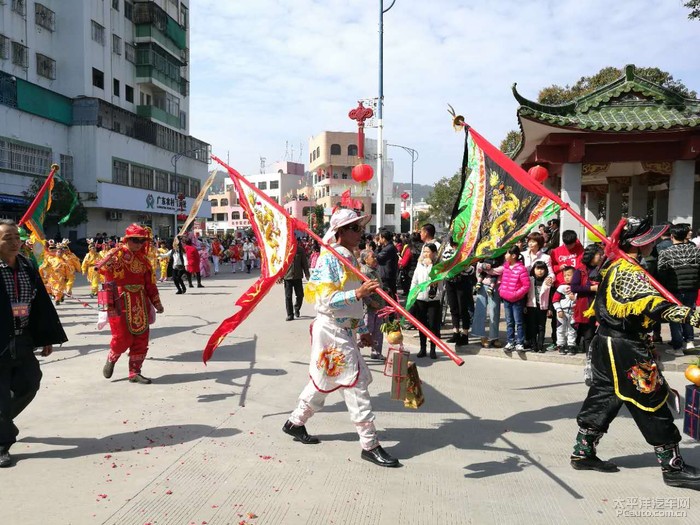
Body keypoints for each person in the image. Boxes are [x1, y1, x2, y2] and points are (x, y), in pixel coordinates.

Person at [570, 217, 700, 490]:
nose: (655, 242)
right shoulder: (631, 272)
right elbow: (655, 307)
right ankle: (672, 466)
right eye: (651, 238)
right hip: (626, 347)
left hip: (606, 342)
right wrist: (691, 315)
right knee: (650, 399)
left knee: (605, 394)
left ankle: (583, 452)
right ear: (642, 243)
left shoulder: (616, 265)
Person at [283, 209, 399, 468]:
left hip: (345, 330)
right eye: (355, 228)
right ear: (340, 232)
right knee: (355, 383)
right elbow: (326, 301)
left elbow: (352, 303)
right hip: (331, 330)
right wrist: (358, 292)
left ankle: (295, 422)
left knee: (324, 379)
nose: (361, 233)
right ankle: (370, 444)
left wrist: (362, 329)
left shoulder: (349, 258)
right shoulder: (329, 259)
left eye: (360, 228)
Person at [0, 219, 67, 468]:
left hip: (23, 338)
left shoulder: (27, 266)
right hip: (0, 341)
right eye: (8, 238)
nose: (15, 242)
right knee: (1, 397)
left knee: (30, 383)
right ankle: (2, 444)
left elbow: (41, 305)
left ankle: (3, 420)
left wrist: (47, 336)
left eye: (16, 237)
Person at [98, 224, 164, 384]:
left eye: (142, 241)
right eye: (135, 240)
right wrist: (112, 254)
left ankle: (134, 372)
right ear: (126, 240)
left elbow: (150, 285)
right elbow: (101, 269)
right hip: (119, 300)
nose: (139, 244)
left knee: (142, 338)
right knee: (122, 338)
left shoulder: (144, 261)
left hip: (140, 302)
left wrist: (157, 303)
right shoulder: (116, 255)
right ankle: (112, 357)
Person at [657, 223, 700, 357]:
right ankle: (689, 341)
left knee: (675, 316)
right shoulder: (696, 251)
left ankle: (677, 347)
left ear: (672, 236)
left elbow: (661, 271)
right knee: (689, 312)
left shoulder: (666, 253)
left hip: (673, 289)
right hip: (692, 288)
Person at [410, 243, 444, 359]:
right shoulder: (420, 264)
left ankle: (433, 349)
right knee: (422, 325)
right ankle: (422, 348)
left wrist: (430, 266)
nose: (425, 254)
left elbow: (436, 279)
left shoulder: (438, 265)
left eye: (428, 251)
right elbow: (414, 280)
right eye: (424, 251)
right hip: (420, 298)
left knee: (433, 325)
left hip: (433, 299)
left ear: (434, 253)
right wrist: (412, 295)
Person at [570, 244, 603, 357]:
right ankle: (590, 357)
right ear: (592, 256)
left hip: (600, 305)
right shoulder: (580, 271)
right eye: (599, 254)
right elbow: (574, 287)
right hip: (587, 306)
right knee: (588, 333)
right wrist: (591, 288)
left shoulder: (601, 269)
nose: (600, 256)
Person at [499, 246, 530, 353]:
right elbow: (503, 280)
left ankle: (520, 343)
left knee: (519, 322)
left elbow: (526, 285)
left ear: (513, 256)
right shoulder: (506, 267)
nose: (505, 255)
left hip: (517, 300)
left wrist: (516, 294)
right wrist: (501, 290)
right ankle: (510, 342)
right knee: (509, 322)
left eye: (507, 253)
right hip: (506, 298)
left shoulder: (521, 269)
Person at [442, 237, 472, 345]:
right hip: (450, 282)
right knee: (453, 307)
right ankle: (456, 332)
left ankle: (465, 334)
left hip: (462, 282)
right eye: (454, 244)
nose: (455, 246)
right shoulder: (447, 252)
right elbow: (445, 264)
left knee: (463, 308)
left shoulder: (466, 252)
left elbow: (470, 269)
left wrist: (462, 265)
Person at [471, 256, 504, 348]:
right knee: (480, 310)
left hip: (495, 285)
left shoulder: (503, 250)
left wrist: (487, 270)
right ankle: (481, 335)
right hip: (482, 285)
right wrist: (484, 266)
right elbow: (478, 266)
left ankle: (494, 337)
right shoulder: (485, 248)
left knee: (494, 311)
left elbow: (502, 269)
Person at [359, 248, 385, 360]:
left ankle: (376, 352)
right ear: (365, 259)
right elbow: (362, 291)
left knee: (378, 331)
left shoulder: (374, 270)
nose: (375, 259)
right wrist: (370, 302)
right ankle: (356, 347)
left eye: (375, 256)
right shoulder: (365, 272)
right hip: (370, 307)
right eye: (372, 257)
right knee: (367, 330)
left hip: (379, 305)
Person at [525, 261, 551, 353]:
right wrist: (525, 306)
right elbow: (525, 294)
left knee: (541, 327)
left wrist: (550, 309)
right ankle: (533, 345)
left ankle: (540, 346)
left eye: (542, 269)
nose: (540, 271)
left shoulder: (548, 281)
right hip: (531, 306)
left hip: (543, 307)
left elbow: (550, 296)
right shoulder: (530, 279)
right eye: (538, 268)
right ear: (533, 270)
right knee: (532, 326)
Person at [552, 266, 578, 355]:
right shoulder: (561, 287)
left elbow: (581, 300)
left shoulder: (578, 287)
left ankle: (571, 345)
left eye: (569, 275)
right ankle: (561, 345)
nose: (566, 277)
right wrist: (559, 310)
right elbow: (555, 300)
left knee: (572, 329)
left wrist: (574, 299)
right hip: (562, 312)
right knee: (560, 329)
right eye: (565, 275)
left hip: (574, 312)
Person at [283, 239, 310, 321]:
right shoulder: (284, 250)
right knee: (288, 297)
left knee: (300, 295)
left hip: (298, 276)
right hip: (287, 277)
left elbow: (304, 263)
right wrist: (279, 276)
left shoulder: (300, 250)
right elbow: (281, 264)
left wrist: (307, 274)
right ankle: (290, 314)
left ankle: (297, 308)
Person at [375, 230, 398, 298]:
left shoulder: (387, 249)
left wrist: (377, 247)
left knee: (389, 295)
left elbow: (377, 258)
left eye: (380, 238)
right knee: (391, 294)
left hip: (387, 275)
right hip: (389, 274)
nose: (379, 240)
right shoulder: (389, 247)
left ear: (384, 238)